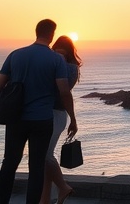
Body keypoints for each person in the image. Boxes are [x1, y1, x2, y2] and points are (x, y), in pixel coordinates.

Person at [0, 20, 77, 204]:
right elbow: (64, 91)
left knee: (9, 164)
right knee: (37, 168)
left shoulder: (15, 55)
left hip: (16, 119)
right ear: (52, 35)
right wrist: (72, 118)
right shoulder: (56, 60)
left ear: (36, 32)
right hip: (42, 120)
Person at [39, 35, 82, 204]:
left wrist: (73, 119)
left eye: (60, 53)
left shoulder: (67, 68)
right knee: (46, 157)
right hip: (52, 114)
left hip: (55, 114)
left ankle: (63, 187)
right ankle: (45, 199)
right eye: (55, 52)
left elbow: (64, 91)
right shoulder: (65, 67)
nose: (57, 55)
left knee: (44, 155)